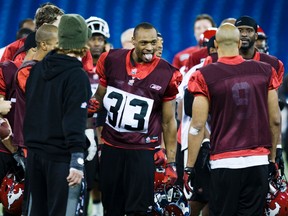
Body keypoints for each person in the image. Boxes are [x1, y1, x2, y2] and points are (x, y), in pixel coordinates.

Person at [184, 23, 281, 215]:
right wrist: (272, 158)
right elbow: (275, 119)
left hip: (224, 162)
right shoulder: (265, 70)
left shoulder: (204, 75)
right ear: (239, 43)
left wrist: (189, 167)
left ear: (216, 45)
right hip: (258, 160)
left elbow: (196, 126)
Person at [94, 22, 181, 215]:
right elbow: (99, 96)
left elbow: (168, 121)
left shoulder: (167, 73)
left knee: (139, 210)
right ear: (133, 41)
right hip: (112, 146)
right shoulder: (110, 59)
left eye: (152, 42)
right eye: (143, 43)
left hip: (142, 150)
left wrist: (171, 161)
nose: (149, 47)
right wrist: (93, 104)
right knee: (111, 208)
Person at [23, 14, 92, 215]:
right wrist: (77, 160)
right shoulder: (76, 76)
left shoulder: (37, 69)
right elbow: (75, 120)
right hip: (61, 159)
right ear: (82, 41)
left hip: (34, 155)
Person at [85, 15, 111, 216]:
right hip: (83, 129)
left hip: (105, 129)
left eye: (99, 39)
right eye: (92, 38)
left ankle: (101, 209)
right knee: (85, 176)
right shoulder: (77, 66)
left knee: (106, 177)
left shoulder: (111, 66)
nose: (96, 43)